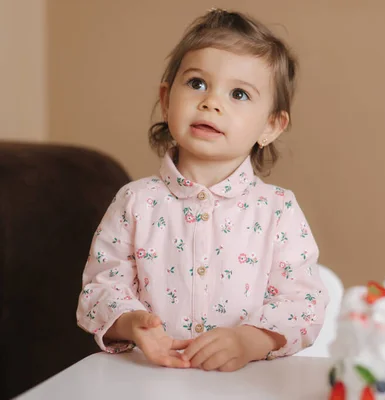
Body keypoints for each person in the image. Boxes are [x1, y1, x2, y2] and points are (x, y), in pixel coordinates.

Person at [76, 8, 328, 372]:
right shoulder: (135, 202)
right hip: (148, 379)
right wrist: (133, 323)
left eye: (239, 94)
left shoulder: (278, 210)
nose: (212, 102)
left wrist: (248, 341)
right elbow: (100, 289)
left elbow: (303, 302)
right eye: (197, 83)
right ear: (166, 99)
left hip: (247, 384)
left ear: (272, 125)